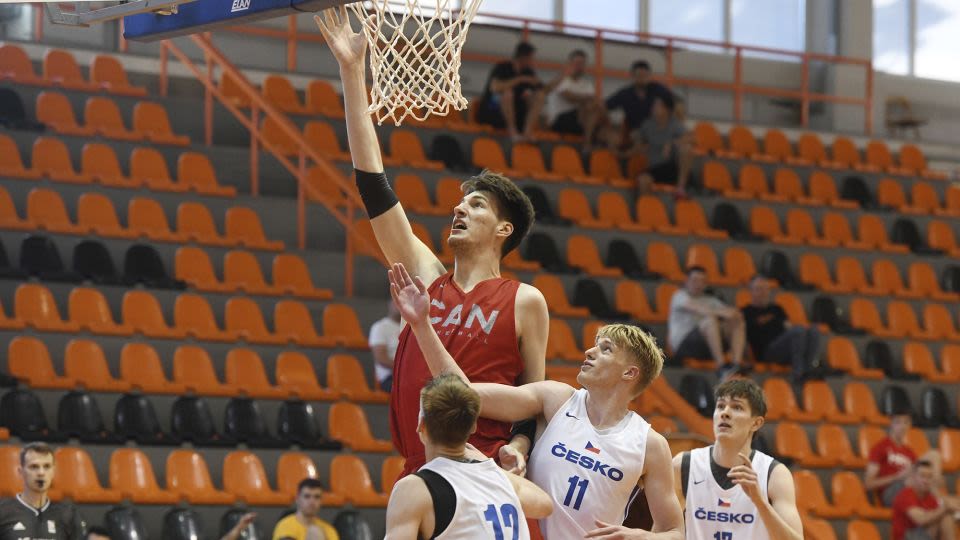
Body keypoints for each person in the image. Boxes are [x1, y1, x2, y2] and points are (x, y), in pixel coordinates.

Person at [315, 6, 549, 479]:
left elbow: (532, 401)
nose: (459, 209)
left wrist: (520, 447)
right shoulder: (427, 275)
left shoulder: (525, 301)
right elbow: (373, 184)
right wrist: (352, 71)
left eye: (477, 205)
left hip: (483, 473)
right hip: (417, 469)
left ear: (505, 230)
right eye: (462, 204)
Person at [389, 262, 684, 540]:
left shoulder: (650, 444)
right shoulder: (555, 399)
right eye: (594, 345)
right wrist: (421, 325)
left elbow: (675, 531)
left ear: (630, 372)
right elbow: (464, 392)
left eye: (605, 349)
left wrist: (643, 535)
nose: (589, 352)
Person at [386, 373, 553, 539]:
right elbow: (545, 505)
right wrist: (487, 465)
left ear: (422, 426)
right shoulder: (500, 480)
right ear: (473, 426)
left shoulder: (413, 489)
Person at [672, 379, 803, 540]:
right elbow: (663, 530)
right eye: (720, 406)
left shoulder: (775, 474)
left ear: (756, 423)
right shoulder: (684, 465)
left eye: (737, 407)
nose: (725, 412)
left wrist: (760, 502)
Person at [740, 275, 825, 383]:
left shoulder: (777, 309)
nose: (763, 293)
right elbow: (743, 338)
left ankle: (807, 370)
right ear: (751, 291)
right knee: (798, 331)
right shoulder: (745, 312)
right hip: (766, 351)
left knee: (814, 331)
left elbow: (788, 326)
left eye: (765, 289)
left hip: (784, 347)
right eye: (758, 289)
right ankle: (798, 373)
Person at [668, 267, 747, 378]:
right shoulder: (679, 296)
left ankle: (736, 364)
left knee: (737, 321)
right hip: (684, 345)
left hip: (708, 345)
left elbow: (734, 313)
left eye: (702, 281)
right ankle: (721, 366)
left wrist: (732, 315)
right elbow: (699, 309)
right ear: (686, 281)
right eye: (695, 280)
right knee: (710, 320)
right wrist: (722, 313)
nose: (698, 284)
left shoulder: (710, 300)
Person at [0, 443, 87, 540]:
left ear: (53, 471)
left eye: (47, 466)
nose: (41, 473)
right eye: (34, 467)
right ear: (21, 472)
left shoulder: (68, 514)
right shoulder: (3, 512)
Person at [866, 410, 943, 506]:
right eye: (898, 422)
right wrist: (896, 477)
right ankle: (939, 504)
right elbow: (868, 484)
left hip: (912, 489)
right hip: (890, 493)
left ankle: (939, 503)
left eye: (906, 422)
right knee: (918, 475)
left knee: (934, 455)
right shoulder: (880, 447)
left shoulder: (909, 451)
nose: (902, 426)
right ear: (891, 425)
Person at [475, 42, 547, 141]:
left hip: (518, 114)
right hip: (495, 111)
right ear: (523, 57)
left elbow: (544, 90)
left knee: (539, 95)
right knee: (507, 93)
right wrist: (520, 79)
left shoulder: (529, 72)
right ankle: (512, 131)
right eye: (531, 58)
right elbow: (495, 87)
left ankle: (527, 131)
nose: (532, 61)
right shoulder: (502, 67)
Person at [632, 97, 692, 196]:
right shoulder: (648, 124)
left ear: (666, 110)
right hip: (655, 168)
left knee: (687, 149)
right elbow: (637, 139)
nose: (653, 108)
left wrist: (671, 143)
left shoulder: (674, 124)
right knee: (643, 180)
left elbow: (693, 138)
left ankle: (680, 188)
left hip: (671, 167)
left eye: (657, 106)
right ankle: (647, 208)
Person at [546, 50, 606, 147]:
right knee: (588, 104)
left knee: (600, 111)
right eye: (577, 63)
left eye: (582, 64)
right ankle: (587, 142)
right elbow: (568, 96)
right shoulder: (562, 79)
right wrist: (586, 98)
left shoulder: (587, 84)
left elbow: (595, 102)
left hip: (580, 120)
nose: (580, 67)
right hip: (559, 120)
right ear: (570, 64)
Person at [891, 460, 960, 540]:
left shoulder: (930, 497)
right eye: (922, 476)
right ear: (914, 477)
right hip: (906, 537)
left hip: (923, 535)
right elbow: (921, 519)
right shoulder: (905, 495)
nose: (926, 480)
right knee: (945, 516)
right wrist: (946, 508)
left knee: (946, 517)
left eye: (929, 477)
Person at [605, 60, 674, 133]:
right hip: (633, 134)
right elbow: (605, 106)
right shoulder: (625, 94)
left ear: (649, 76)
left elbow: (676, 104)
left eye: (645, 76)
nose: (642, 79)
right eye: (639, 75)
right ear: (632, 76)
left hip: (658, 132)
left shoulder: (660, 91)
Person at [272, 479, 338, 540]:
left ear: (321, 501)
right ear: (297, 499)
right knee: (315, 532)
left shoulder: (330, 530)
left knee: (316, 532)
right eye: (307, 496)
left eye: (317, 497)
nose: (312, 502)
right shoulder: (285, 526)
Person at [369, 300, 402, 392]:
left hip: (410, 375)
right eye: (397, 301)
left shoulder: (411, 327)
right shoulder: (380, 327)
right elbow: (381, 358)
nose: (400, 304)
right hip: (390, 377)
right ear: (390, 304)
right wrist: (404, 368)